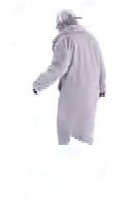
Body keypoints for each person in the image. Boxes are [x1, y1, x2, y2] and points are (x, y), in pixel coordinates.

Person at [32, 9, 106, 145]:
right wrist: (102, 87)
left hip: (72, 94)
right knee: (85, 136)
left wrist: (38, 84)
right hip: (91, 94)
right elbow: (100, 65)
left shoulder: (65, 41)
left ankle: (66, 156)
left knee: (67, 138)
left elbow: (58, 68)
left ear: (61, 25)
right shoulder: (91, 38)